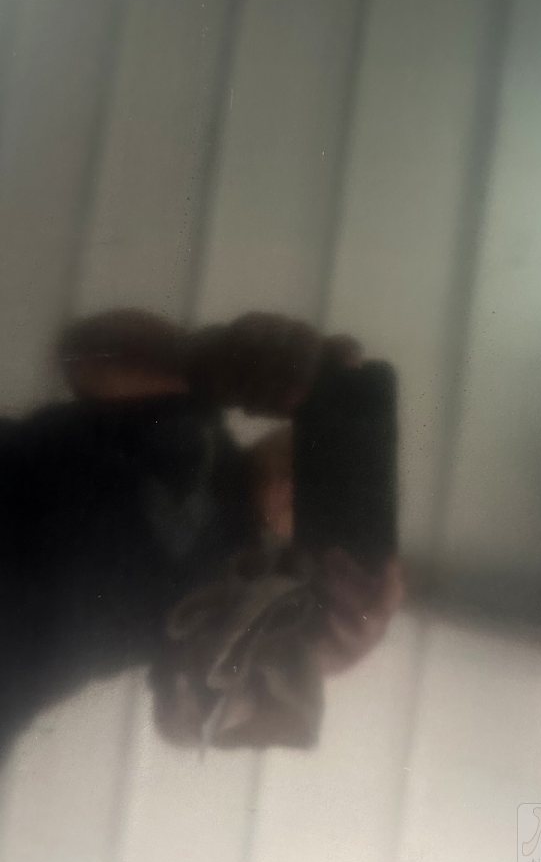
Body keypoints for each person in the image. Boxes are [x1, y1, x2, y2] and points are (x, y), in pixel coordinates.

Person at [0, 310, 403, 754]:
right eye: (323, 460)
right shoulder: (190, 409)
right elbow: (84, 352)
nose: (305, 483)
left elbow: (192, 718)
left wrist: (306, 661)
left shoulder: (244, 600)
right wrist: (211, 358)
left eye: (336, 492)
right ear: (298, 429)